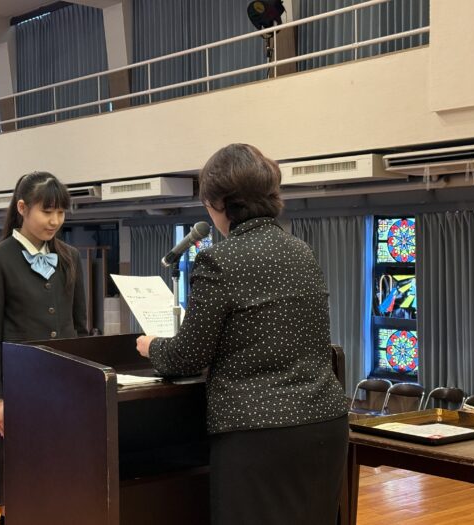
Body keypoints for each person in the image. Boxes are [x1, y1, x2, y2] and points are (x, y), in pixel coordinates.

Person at [135, 144, 349, 525]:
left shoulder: (219, 259)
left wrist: (153, 347)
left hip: (258, 433)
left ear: (221, 203)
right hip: (324, 423)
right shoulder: (302, 251)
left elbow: (189, 356)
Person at [0, 172, 88, 517]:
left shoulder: (70, 256)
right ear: (22, 208)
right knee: (19, 484)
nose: (55, 221)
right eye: (47, 211)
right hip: (18, 391)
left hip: (64, 389)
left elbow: (80, 328)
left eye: (61, 212)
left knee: (63, 481)